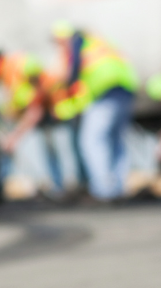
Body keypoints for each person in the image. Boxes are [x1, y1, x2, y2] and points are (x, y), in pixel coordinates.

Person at [50, 21, 140, 202]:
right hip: (126, 89)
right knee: (116, 140)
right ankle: (117, 188)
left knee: (92, 140)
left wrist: (62, 98)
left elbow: (72, 76)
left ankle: (103, 190)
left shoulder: (77, 44)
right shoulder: (100, 42)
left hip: (103, 91)